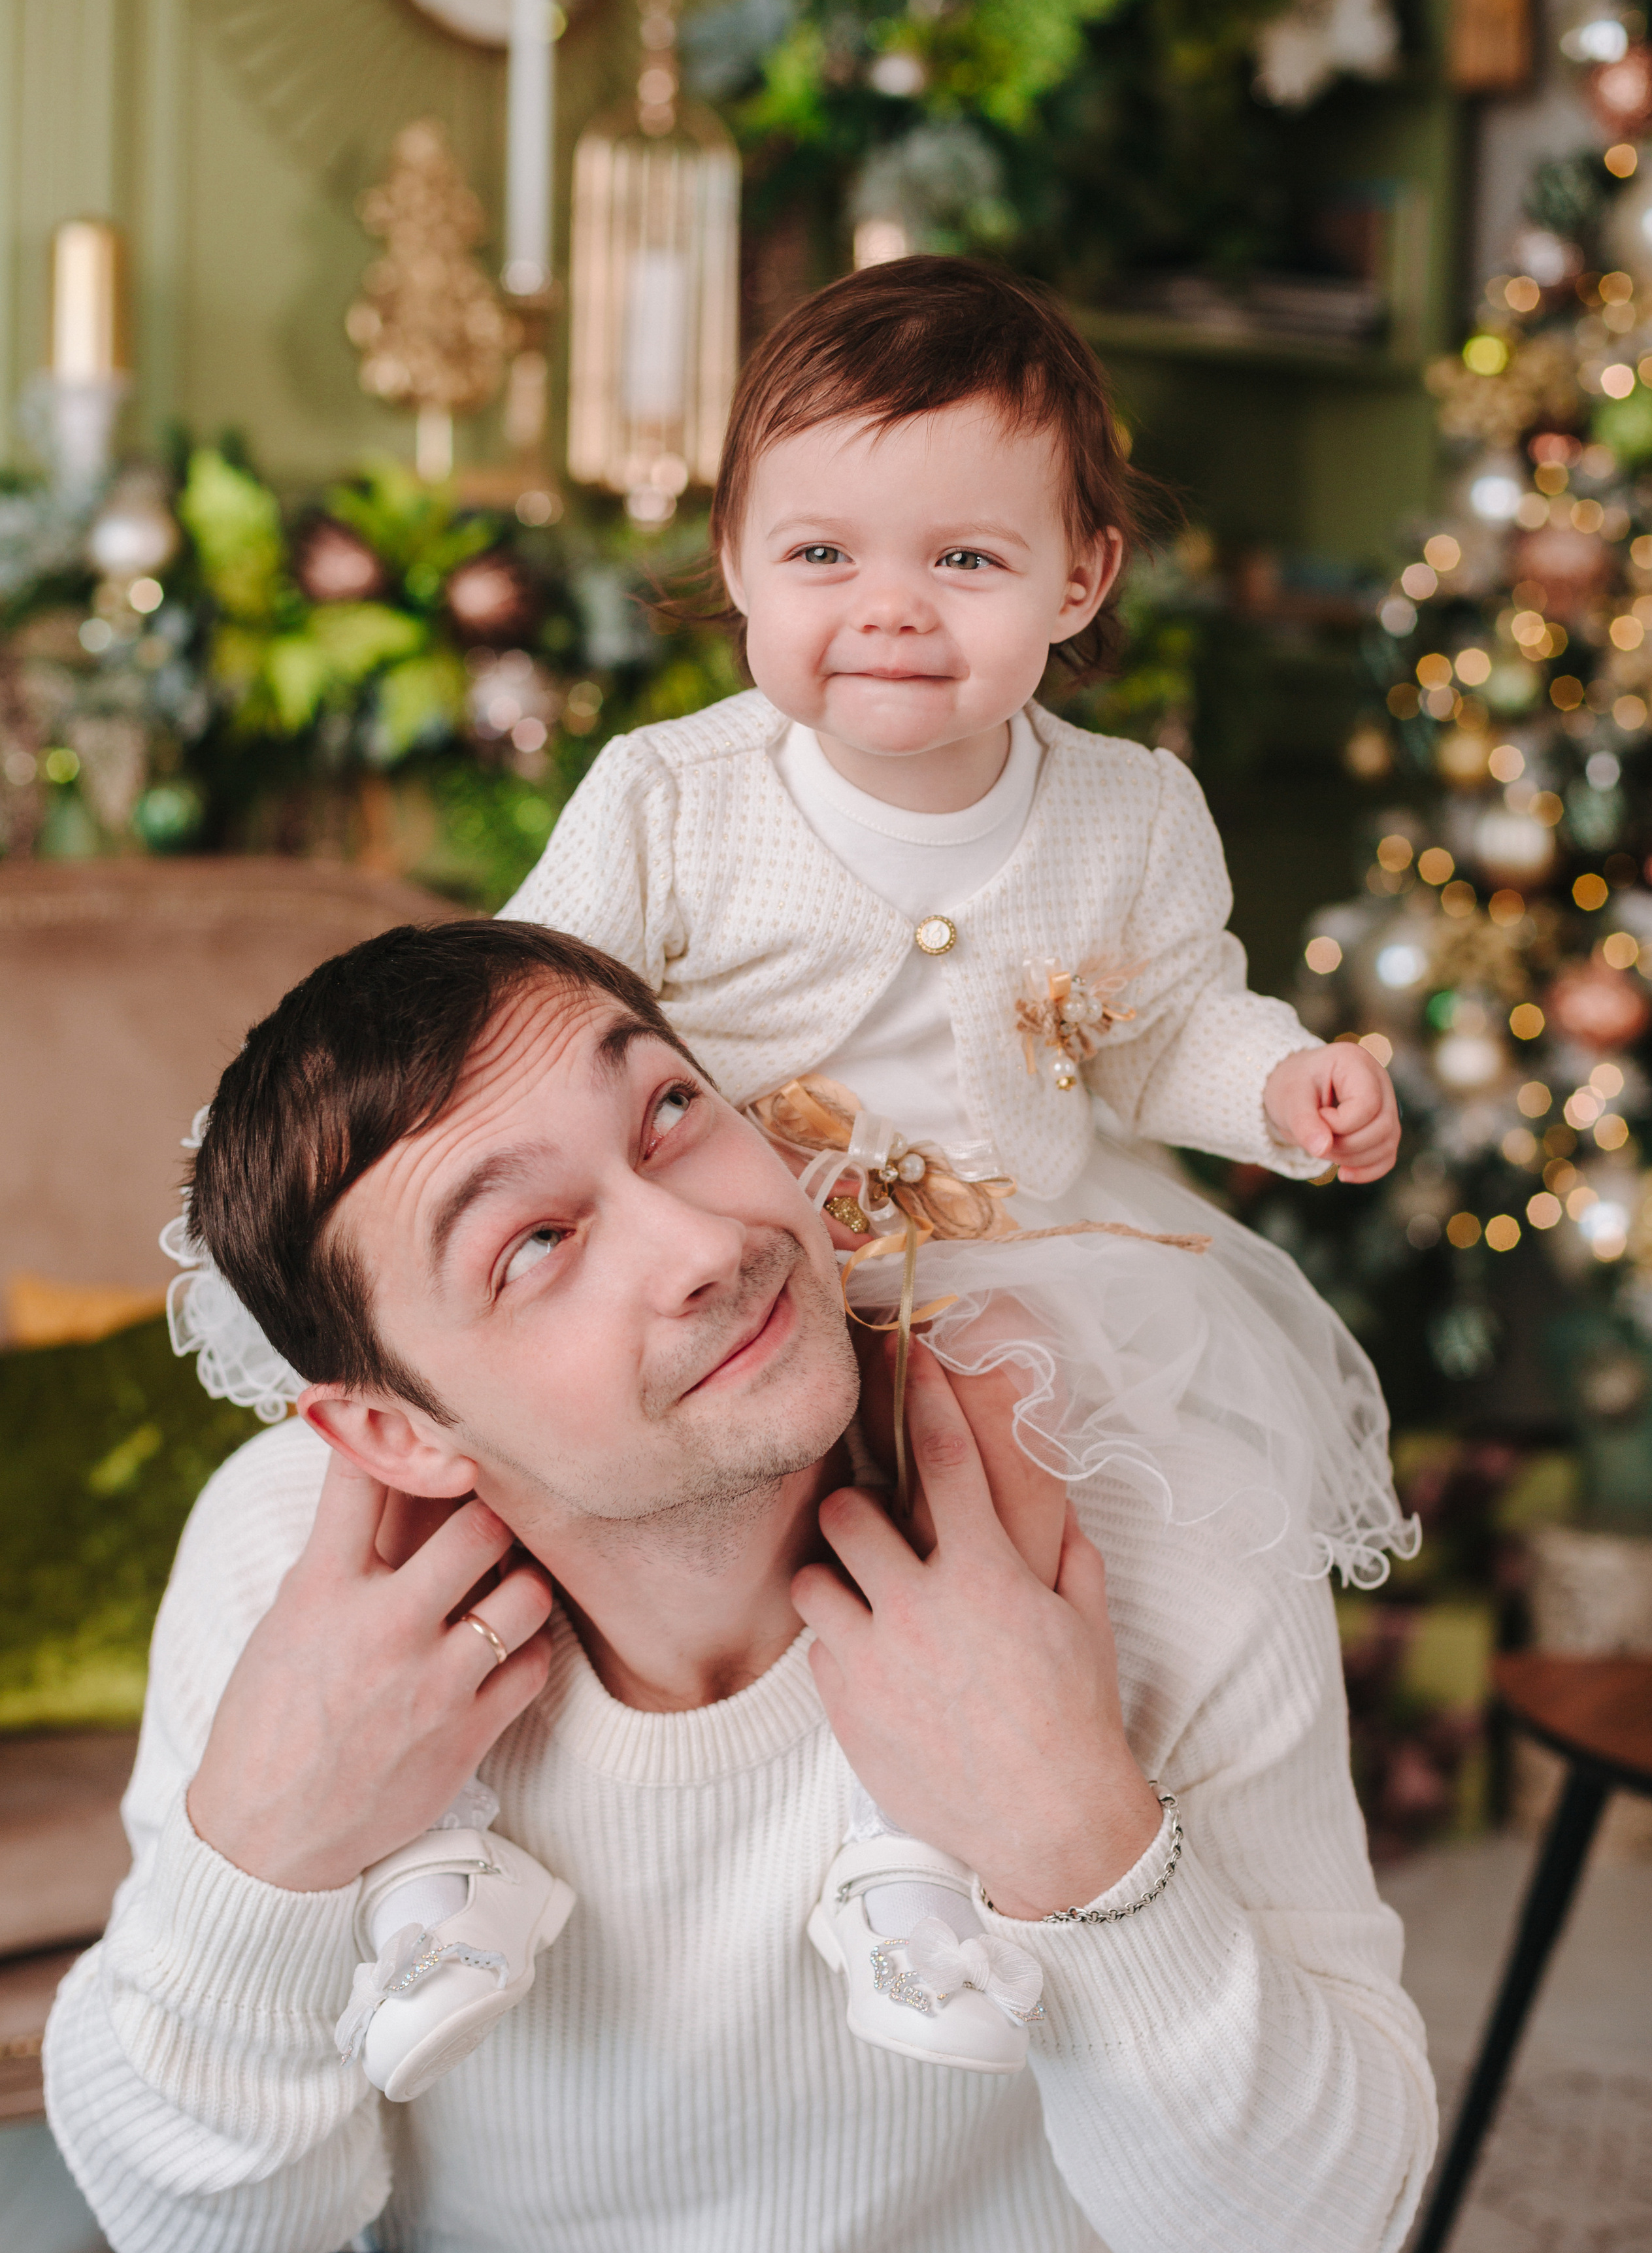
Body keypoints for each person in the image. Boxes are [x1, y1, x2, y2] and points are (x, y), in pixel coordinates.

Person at [31, 918, 1434, 2253]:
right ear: (394, 1432)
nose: (708, 1245)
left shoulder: (1144, 1512)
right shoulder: (306, 1581)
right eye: (533, 1245)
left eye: (668, 1115)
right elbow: (216, 2232)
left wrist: (1074, 1833)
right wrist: (261, 1854)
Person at [491, 253, 1419, 2060]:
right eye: (825, 554)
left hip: (1019, 1263)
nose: (891, 611)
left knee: (991, 1542)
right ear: (743, 557)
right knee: (597, 1499)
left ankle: (919, 1870)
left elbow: (1162, 1027)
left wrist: (1287, 1083)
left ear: (1079, 578)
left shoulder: (1129, 812)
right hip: (736, 1274)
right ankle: (456, 1862)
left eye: (967, 560)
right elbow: (527, 1017)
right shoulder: (673, 800)